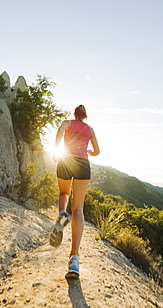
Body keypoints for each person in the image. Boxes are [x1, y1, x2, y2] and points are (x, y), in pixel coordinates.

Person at [50, 105, 100, 279]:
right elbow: (97, 151)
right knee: (78, 208)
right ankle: (74, 259)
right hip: (83, 164)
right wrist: (89, 151)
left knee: (64, 194)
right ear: (85, 116)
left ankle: (62, 217)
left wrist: (57, 149)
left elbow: (59, 131)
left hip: (66, 160)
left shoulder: (67, 123)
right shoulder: (90, 129)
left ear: (74, 114)